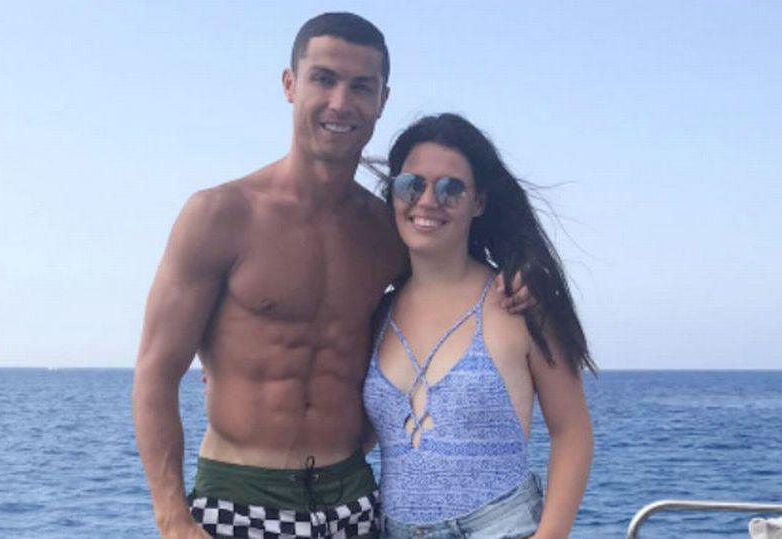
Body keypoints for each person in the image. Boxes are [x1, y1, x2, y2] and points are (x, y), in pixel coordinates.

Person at [132, 13, 532, 539]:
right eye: (323, 79)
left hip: (353, 502)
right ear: (289, 84)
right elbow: (155, 372)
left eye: (361, 87)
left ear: (382, 100)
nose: (341, 103)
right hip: (240, 498)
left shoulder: (386, 232)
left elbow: (453, 278)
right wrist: (172, 517)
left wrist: (520, 275)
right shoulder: (221, 215)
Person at [363, 113, 596, 539]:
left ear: (479, 202)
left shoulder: (521, 302)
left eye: (451, 189)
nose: (427, 201)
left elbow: (572, 432)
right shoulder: (377, 312)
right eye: (412, 184)